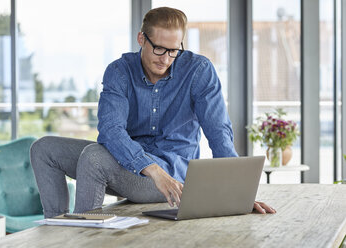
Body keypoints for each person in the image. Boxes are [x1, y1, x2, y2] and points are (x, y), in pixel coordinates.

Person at [30, 7, 275, 218]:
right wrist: (152, 168)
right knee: (43, 148)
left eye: (173, 50)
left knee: (94, 157)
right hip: (134, 168)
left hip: (173, 177)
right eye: (159, 48)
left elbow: (219, 133)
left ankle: (86, 234)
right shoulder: (119, 72)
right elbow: (110, 130)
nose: (166, 59)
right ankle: (58, 227)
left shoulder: (198, 70)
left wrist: (238, 194)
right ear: (141, 39)